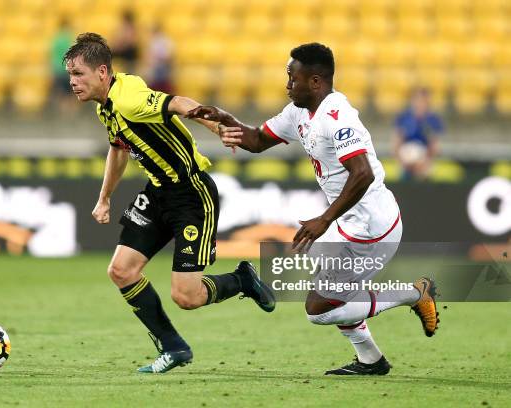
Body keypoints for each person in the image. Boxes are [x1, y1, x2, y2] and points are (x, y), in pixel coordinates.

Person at [187, 43, 439, 375]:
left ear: (316, 82)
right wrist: (224, 120)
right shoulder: (298, 113)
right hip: (348, 222)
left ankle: (414, 293)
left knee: (319, 310)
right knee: (329, 283)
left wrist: (324, 219)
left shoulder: (337, 116)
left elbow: (361, 173)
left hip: (372, 228)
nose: (287, 84)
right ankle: (371, 360)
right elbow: (257, 141)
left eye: (293, 77)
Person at [63, 33, 275, 374]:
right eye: (70, 75)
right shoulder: (107, 107)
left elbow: (178, 104)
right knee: (121, 270)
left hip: (191, 194)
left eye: (78, 74)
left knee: (187, 297)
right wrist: (104, 198)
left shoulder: (130, 98)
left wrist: (218, 126)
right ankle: (174, 347)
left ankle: (242, 279)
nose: (72, 82)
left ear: (102, 72)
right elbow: (118, 148)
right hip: (157, 192)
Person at [393, 88, 444, 181]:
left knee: (425, 173)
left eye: (423, 100)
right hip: (406, 158)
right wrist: (402, 160)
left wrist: (424, 160)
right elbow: (397, 142)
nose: (420, 103)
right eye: (417, 99)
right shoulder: (404, 117)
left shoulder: (433, 120)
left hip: (424, 160)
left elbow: (435, 146)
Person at [50, 20, 77, 114]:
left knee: (61, 94)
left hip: (58, 70)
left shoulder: (55, 39)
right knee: (71, 94)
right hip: (67, 70)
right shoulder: (69, 39)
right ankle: (70, 113)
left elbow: (52, 56)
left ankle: (63, 113)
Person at [144, 24, 174, 94]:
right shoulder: (152, 41)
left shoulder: (165, 40)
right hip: (155, 67)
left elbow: (168, 56)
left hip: (162, 66)